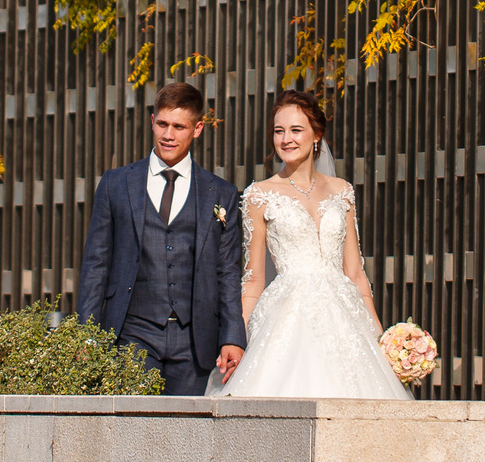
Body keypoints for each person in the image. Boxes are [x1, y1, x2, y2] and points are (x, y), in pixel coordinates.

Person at [205, 91, 407, 400]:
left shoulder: (343, 191)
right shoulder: (259, 195)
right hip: (287, 316)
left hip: (345, 316)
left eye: (296, 130)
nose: (286, 139)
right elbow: (253, 280)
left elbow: (355, 273)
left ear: (317, 135)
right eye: (278, 131)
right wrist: (236, 337)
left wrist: (382, 338)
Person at [77, 81, 246, 396]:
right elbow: (96, 263)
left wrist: (233, 336)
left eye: (179, 127)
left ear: (196, 129)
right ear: (152, 120)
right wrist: (86, 335)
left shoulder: (220, 192)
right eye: (163, 124)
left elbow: (227, 270)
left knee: (186, 436)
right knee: (132, 431)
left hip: (195, 339)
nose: (168, 134)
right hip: (132, 331)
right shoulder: (116, 183)